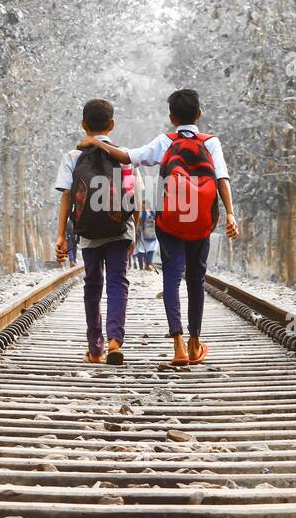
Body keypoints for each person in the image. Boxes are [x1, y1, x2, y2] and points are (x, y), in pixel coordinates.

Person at [78, 89, 238, 367]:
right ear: (199, 114)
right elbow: (222, 178)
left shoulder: (165, 141)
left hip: (170, 221)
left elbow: (129, 157)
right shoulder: (211, 143)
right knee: (196, 281)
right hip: (200, 222)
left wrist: (99, 144)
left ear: (171, 117)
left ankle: (177, 344)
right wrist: (231, 214)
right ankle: (195, 342)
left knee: (171, 279)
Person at [54, 99, 133, 365]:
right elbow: (135, 197)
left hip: (88, 233)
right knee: (117, 283)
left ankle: (95, 348)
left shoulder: (73, 157)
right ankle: (114, 341)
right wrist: (130, 233)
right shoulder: (123, 155)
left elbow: (67, 196)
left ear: (83, 124)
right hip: (119, 232)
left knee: (93, 285)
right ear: (112, 125)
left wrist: (61, 236)